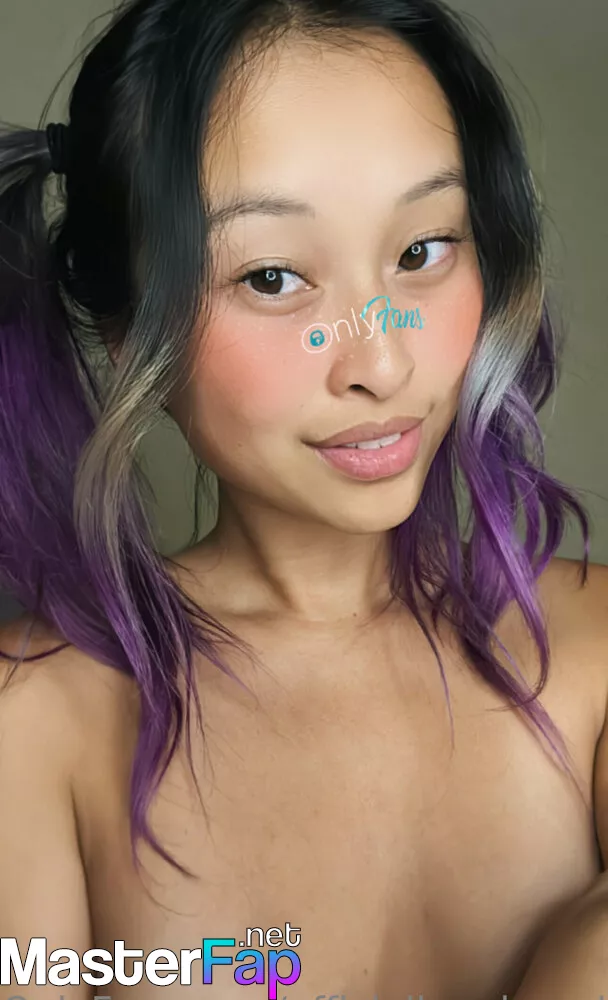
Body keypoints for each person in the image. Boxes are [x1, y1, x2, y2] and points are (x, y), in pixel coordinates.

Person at [0, 0, 607, 997]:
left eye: (421, 251)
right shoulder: (34, 723)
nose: (380, 362)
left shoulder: (593, 655)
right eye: (274, 276)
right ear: (128, 329)